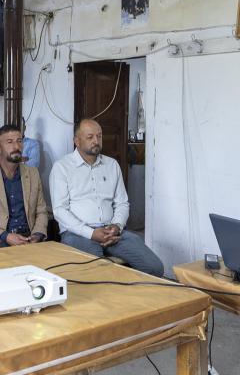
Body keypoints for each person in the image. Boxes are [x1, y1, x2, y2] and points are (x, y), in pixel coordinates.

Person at [49, 119, 164, 277]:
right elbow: (60, 211)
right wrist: (91, 233)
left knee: (154, 267)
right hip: (77, 234)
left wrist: (116, 226)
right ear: (77, 141)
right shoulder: (62, 167)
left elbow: (122, 203)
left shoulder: (112, 165)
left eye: (99, 136)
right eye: (90, 137)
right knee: (99, 271)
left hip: (112, 231)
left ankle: (135, 299)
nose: (96, 141)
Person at [0, 124, 51, 248]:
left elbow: (41, 211)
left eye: (19, 141)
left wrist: (38, 234)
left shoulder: (33, 173)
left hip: (29, 238)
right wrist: (5, 236)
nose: (16, 146)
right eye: (9, 142)